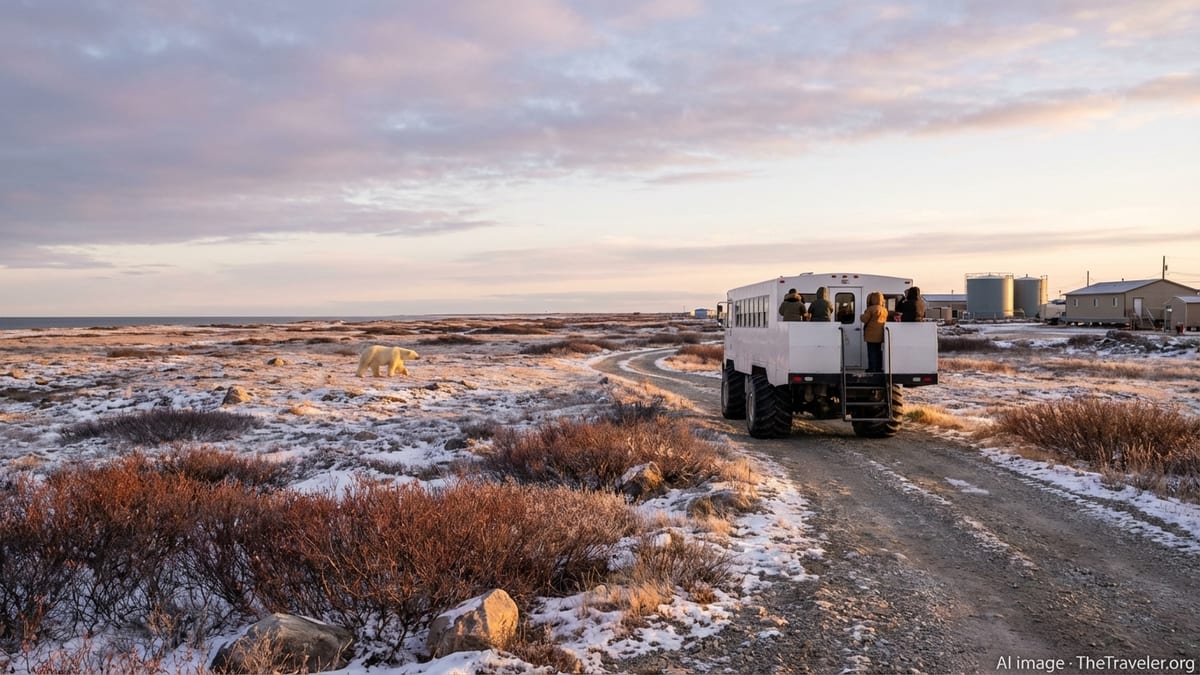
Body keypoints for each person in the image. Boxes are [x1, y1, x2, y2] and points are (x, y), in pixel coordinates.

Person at [861, 290, 887, 372]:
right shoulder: (884, 310)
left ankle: (872, 368)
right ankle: (878, 368)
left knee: (871, 352)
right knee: (878, 352)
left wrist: (861, 315)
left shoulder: (870, 309)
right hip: (880, 335)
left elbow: (864, 319)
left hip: (871, 335)